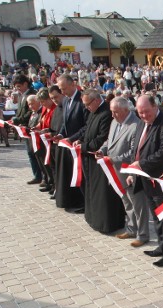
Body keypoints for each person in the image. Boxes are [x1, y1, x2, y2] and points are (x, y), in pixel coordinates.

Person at [125, 94, 163, 267]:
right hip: (145, 178)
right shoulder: (142, 122)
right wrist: (133, 171)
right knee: (156, 215)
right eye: (140, 112)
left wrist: (140, 164)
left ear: (155, 106)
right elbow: (136, 149)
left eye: (146, 112)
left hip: (160, 179)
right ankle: (161, 246)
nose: (143, 116)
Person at [97, 97, 149, 246]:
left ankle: (143, 234)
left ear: (126, 110)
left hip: (130, 171)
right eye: (112, 112)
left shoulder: (136, 125)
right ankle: (132, 228)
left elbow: (134, 152)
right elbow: (109, 141)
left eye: (115, 112)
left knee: (138, 204)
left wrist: (114, 159)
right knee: (126, 201)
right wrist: (102, 150)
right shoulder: (115, 122)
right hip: (117, 172)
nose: (112, 115)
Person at [77, 89, 117, 233]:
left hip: (99, 158)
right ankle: (93, 218)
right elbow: (87, 129)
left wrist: (85, 146)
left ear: (96, 101)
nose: (86, 107)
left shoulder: (106, 113)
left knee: (102, 194)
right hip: (89, 158)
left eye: (88, 104)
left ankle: (104, 223)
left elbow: (102, 138)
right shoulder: (93, 112)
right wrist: (79, 140)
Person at [54, 73, 86, 210]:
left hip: (79, 144)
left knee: (80, 175)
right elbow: (65, 122)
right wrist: (61, 134)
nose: (62, 92)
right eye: (60, 89)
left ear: (73, 84)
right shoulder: (66, 100)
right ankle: (73, 200)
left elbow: (86, 125)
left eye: (64, 89)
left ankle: (83, 202)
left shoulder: (83, 100)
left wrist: (72, 138)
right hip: (68, 144)